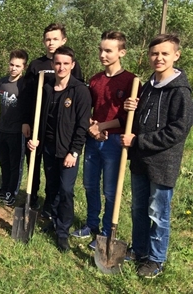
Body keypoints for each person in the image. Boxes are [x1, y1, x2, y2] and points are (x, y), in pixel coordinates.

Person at [121, 34, 193, 278]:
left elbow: (177, 131)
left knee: (158, 213)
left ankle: (156, 259)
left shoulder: (180, 91)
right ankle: (139, 250)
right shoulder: (150, 84)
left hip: (163, 162)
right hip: (141, 159)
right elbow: (144, 115)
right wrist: (134, 107)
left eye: (164, 53)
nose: (158, 58)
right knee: (139, 208)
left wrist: (138, 141)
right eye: (154, 53)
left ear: (176, 55)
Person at [70, 31, 138, 250]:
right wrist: (93, 126)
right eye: (101, 50)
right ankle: (91, 224)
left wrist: (104, 126)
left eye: (108, 50)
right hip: (94, 139)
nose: (103, 54)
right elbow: (88, 109)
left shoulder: (131, 80)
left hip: (115, 142)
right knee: (90, 184)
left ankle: (107, 231)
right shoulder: (95, 80)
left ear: (122, 52)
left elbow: (130, 115)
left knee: (110, 190)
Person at [26, 46, 91, 252]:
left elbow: (82, 125)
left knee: (66, 190)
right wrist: (37, 140)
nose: (61, 67)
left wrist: (74, 152)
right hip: (48, 148)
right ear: (53, 65)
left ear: (72, 65)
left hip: (68, 151)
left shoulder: (80, 91)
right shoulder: (46, 88)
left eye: (65, 63)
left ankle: (63, 232)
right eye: (57, 63)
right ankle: (53, 222)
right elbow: (41, 119)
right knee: (52, 188)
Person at [22, 23, 83, 213]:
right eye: (48, 39)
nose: (51, 42)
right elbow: (27, 95)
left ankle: (51, 206)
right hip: (36, 124)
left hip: (59, 128)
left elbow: (78, 94)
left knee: (53, 170)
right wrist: (26, 121)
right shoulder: (36, 65)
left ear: (63, 40)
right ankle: (31, 199)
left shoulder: (73, 65)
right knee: (34, 161)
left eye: (55, 39)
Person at [0, 49, 29, 207]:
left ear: (23, 67)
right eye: (12, 64)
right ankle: (3, 188)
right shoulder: (2, 82)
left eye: (18, 66)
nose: (14, 68)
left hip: (17, 132)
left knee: (15, 164)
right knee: (3, 161)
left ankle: (12, 192)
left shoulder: (24, 85)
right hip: (2, 129)